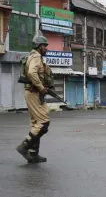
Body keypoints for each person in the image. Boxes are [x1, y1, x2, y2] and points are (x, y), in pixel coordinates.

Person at [16, 31, 52, 164]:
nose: (46, 48)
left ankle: (33, 154)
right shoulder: (36, 57)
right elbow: (31, 72)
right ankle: (24, 147)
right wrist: (41, 88)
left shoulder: (31, 56)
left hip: (31, 92)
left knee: (36, 123)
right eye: (45, 45)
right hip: (34, 92)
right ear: (39, 46)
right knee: (44, 122)